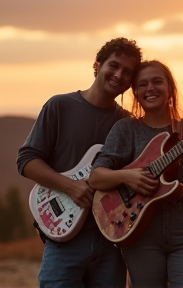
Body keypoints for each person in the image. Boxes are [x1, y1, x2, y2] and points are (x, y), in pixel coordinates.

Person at [89, 60, 183, 288]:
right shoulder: (125, 130)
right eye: (142, 84)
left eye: (157, 82)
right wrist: (129, 177)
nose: (150, 88)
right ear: (135, 93)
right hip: (140, 231)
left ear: (170, 89)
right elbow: (96, 177)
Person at [17, 37, 142, 288]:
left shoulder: (129, 125)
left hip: (111, 243)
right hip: (64, 239)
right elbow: (27, 160)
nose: (118, 75)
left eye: (127, 72)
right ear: (97, 64)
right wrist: (70, 186)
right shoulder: (59, 106)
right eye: (113, 65)